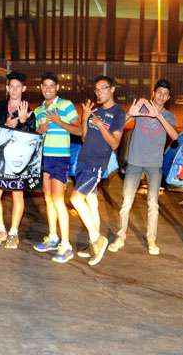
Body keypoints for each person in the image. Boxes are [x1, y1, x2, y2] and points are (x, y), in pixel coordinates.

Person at [110, 79, 178, 256]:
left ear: (168, 97)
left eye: (165, 94)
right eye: (159, 92)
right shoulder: (141, 108)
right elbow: (120, 126)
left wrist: (159, 115)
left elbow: (175, 136)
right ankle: (121, 236)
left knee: (153, 204)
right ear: (153, 93)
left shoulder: (169, 115)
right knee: (126, 202)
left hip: (155, 164)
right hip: (135, 162)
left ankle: (151, 240)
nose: (162, 96)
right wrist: (130, 114)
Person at [70, 76, 126, 266]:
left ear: (112, 90)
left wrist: (101, 124)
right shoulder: (96, 110)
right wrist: (85, 119)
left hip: (96, 163)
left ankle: (97, 238)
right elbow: (85, 138)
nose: (98, 93)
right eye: (96, 90)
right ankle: (94, 245)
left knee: (75, 199)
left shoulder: (118, 113)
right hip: (83, 160)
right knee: (92, 202)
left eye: (102, 89)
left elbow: (115, 143)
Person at [33, 72, 81, 263]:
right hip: (44, 157)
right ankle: (53, 237)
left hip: (60, 158)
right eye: (45, 86)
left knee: (59, 200)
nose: (48, 89)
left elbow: (79, 129)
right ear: (41, 88)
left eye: (51, 85)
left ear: (57, 88)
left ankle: (66, 245)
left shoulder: (65, 105)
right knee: (47, 198)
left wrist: (60, 122)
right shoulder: (38, 110)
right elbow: (38, 135)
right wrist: (40, 130)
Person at [0, 71, 36, 249]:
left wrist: (23, 123)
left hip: (18, 161)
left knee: (17, 194)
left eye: (18, 86)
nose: (14, 90)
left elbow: (32, 140)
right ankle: (0, 229)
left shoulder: (29, 111)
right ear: (7, 88)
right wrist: (6, 126)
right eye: (11, 86)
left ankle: (13, 233)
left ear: (23, 88)